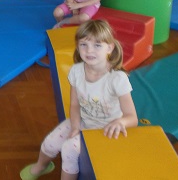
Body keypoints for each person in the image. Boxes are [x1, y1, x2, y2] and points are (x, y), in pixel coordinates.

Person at [20, 19, 138, 180]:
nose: (89, 50)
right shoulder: (76, 71)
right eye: (83, 44)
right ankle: (41, 166)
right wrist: (75, 126)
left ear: (109, 48)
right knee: (50, 142)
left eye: (97, 45)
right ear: (77, 46)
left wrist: (120, 122)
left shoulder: (117, 79)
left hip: (107, 130)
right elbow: (75, 105)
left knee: (69, 148)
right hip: (84, 120)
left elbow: (132, 118)